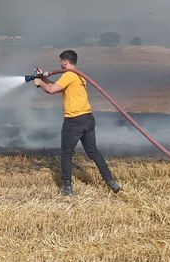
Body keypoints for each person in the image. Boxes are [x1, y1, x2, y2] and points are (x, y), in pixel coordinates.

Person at [34, 50, 121, 196]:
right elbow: (57, 86)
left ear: (65, 62)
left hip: (74, 121)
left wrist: (39, 83)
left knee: (66, 154)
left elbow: (50, 90)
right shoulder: (79, 76)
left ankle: (67, 187)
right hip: (88, 119)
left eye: (61, 61)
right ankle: (111, 181)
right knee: (93, 152)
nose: (60, 64)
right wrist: (42, 79)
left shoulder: (68, 75)